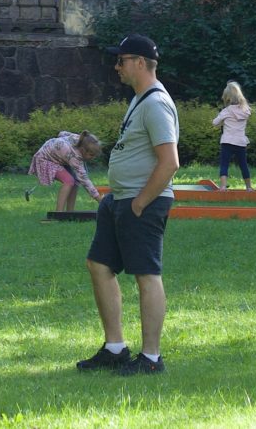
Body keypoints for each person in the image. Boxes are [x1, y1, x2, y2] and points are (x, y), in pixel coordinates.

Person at [75, 34, 180, 376]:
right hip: (119, 200)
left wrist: (140, 202)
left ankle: (151, 358)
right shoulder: (139, 100)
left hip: (141, 202)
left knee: (146, 275)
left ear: (139, 62)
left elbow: (170, 162)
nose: (116, 67)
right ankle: (115, 348)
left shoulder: (155, 103)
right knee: (98, 265)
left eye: (121, 61)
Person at [31, 130, 104, 213]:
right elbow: (85, 180)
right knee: (69, 181)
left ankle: (70, 212)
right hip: (44, 159)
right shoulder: (74, 156)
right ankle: (59, 213)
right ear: (83, 150)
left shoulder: (80, 140)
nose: (93, 158)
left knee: (76, 181)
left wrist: (59, 148)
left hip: (56, 158)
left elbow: (62, 133)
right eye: (91, 155)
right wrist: (99, 199)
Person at [211, 84, 253, 188]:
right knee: (243, 165)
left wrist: (223, 122)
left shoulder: (226, 111)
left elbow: (215, 123)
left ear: (227, 98)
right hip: (240, 141)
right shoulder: (245, 110)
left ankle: (223, 187)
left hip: (227, 141)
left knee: (224, 164)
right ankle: (249, 187)